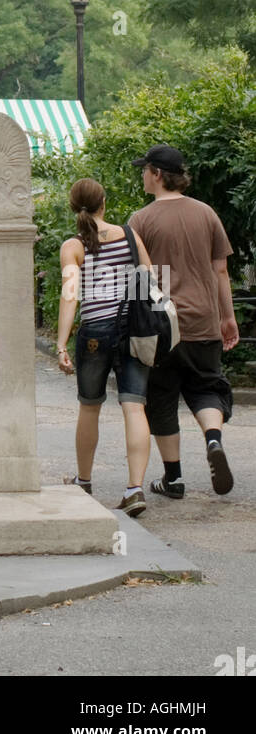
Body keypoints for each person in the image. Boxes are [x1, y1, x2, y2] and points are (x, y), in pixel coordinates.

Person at [128, 144, 238, 500]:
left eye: (145, 169)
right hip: (204, 320)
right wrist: (228, 317)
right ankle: (213, 440)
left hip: (162, 327)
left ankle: (173, 479)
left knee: (161, 398)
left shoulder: (140, 221)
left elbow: (138, 280)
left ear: (157, 174)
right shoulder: (206, 214)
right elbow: (221, 270)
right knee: (207, 387)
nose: (142, 174)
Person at [57, 178, 152, 516]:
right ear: (104, 202)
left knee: (89, 407)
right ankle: (135, 488)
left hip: (95, 333)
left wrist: (61, 343)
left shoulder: (74, 245)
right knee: (134, 406)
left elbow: (71, 295)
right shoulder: (129, 236)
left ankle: (84, 482)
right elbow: (148, 282)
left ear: (73, 207)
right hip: (132, 332)